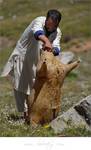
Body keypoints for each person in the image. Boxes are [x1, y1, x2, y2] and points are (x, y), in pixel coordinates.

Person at [1, 9, 62, 119]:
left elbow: (57, 47)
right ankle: (26, 115)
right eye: (48, 24)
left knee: (35, 87)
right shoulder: (39, 21)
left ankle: (35, 113)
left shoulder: (57, 32)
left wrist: (53, 49)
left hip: (37, 61)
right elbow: (37, 32)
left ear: (57, 24)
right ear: (46, 19)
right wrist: (46, 41)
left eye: (53, 26)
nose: (50, 27)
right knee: (21, 86)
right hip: (22, 57)